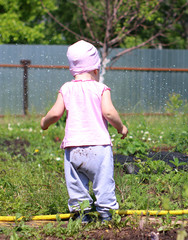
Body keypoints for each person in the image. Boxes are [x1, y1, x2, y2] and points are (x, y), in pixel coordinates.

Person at [40, 40, 128, 223]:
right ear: (96, 70)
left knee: (76, 184)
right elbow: (109, 112)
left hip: (74, 148)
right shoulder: (101, 88)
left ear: (72, 69)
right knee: (103, 183)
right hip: (99, 147)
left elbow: (56, 113)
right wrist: (121, 127)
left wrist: (44, 122)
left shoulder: (66, 88)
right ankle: (106, 215)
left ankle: (82, 215)